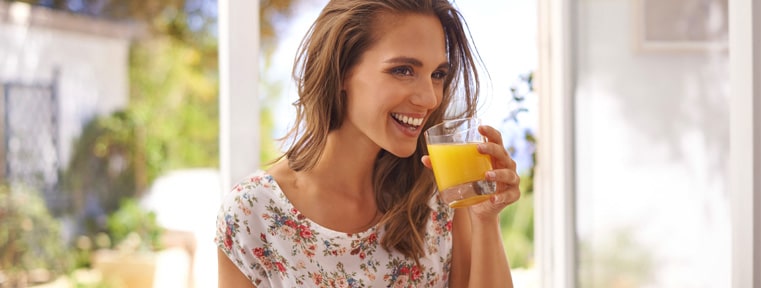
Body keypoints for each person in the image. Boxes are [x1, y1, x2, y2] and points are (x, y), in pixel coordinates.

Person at [216, 0, 521, 287]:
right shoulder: (253, 213)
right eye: (403, 70)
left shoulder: (437, 195)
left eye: (438, 74)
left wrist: (485, 219)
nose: (429, 98)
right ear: (342, 70)